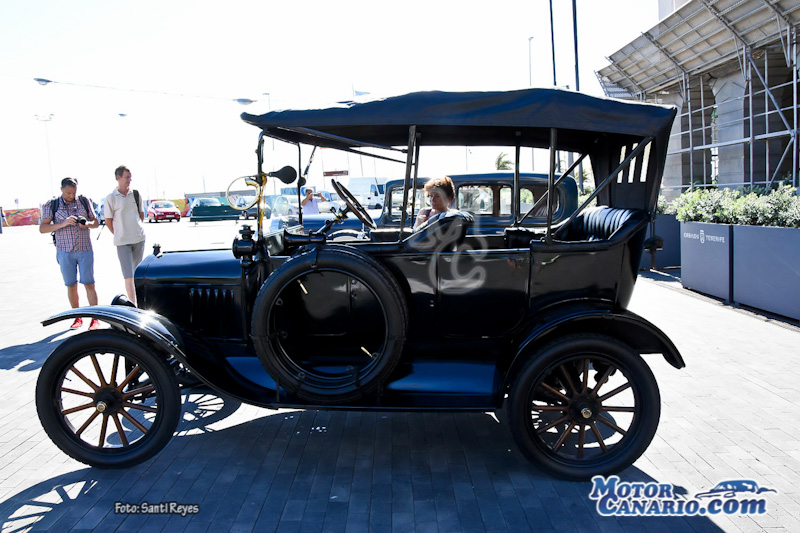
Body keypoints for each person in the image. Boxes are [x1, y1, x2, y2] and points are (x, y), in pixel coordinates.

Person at [39, 177, 100, 330]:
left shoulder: (84, 201)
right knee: (71, 285)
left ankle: (95, 319)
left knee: (89, 283)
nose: (71, 196)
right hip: (64, 251)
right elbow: (42, 228)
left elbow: (96, 223)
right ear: (61, 189)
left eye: (74, 193)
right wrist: (63, 223)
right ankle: (77, 317)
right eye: (68, 193)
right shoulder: (52, 204)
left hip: (85, 249)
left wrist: (87, 224)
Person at [104, 165, 145, 306]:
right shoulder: (111, 198)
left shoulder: (136, 194)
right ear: (118, 177)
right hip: (122, 242)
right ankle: (133, 305)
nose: (130, 180)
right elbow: (108, 221)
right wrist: (120, 233)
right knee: (128, 276)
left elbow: (141, 215)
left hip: (138, 238)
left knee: (138, 274)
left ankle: (141, 302)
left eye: (130, 177)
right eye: (127, 177)